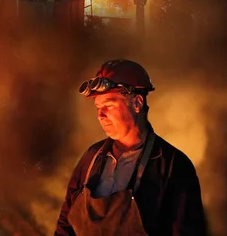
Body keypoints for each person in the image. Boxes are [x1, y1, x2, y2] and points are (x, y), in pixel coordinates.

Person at [55, 59, 207, 236]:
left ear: (137, 103)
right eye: (98, 107)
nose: (100, 116)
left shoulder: (173, 166)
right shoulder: (91, 157)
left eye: (108, 106)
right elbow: (66, 221)